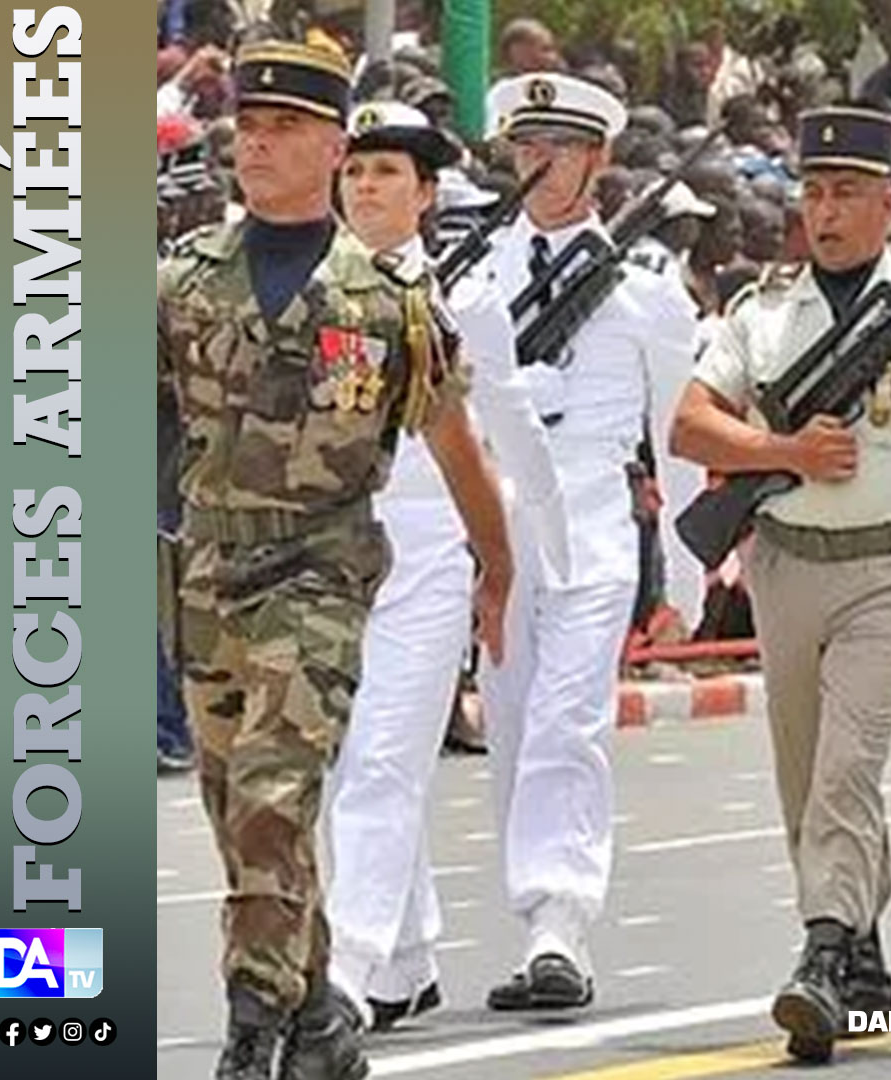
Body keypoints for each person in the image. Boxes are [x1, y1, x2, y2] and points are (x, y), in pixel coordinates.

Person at [158, 41, 512, 1080]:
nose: (255, 144)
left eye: (280, 129)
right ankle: (317, 1013)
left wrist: (497, 570)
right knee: (243, 821)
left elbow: (457, 447)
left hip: (320, 574)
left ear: (330, 145)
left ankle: (252, 1031)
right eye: (246, 128)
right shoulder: (184, 281)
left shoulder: (387, 305)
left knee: (274, 797)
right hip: (209, 578)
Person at [669, 104, 891, 1064]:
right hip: (782, 562)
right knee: (801, 774)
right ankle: (860, 950)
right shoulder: (763, 312)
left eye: (847, 193)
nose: (826, 212)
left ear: (887, 202)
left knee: (846, 767)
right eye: (814, 193)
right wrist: (781, 449)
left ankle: (819, 953)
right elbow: (692, 425)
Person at [323, 100, 565, 1033]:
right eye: (357, 171)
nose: (368, 187)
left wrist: (534, 562)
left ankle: (344, 967)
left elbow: (511, 435)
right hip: (337, 548)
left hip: (428, 548)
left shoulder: (468, 302)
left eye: (389, 173)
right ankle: (407, 959)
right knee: (347, 764)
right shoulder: (320, 291)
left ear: (426, 195)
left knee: (385, 757)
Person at [480, 72, 701, 1012]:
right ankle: (532, 918)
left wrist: (685, 576)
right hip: (495, 516)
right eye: (527, 146)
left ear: (600, 159)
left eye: (561, 147)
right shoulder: (476, 274)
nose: (541, 164)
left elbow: (678, 435)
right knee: (513, 722)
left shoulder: (649, 292)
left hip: (593, 519)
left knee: (569, 721)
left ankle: (558, 927)